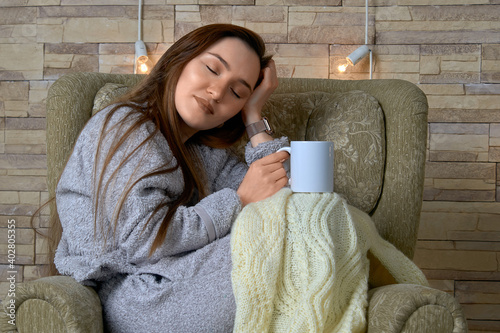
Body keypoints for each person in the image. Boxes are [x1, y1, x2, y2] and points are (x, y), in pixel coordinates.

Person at [54, 24, 290, 332]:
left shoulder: (205, 153)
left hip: (175, 278)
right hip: (136, 297)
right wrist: (240, 200)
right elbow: (144, 241)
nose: (217, 92)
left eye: (237, 92)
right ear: (179, 60)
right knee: (285, 234)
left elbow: (284, 193)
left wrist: (254, 116)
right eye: (211, 68)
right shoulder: (125, 126)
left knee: (297, 220)